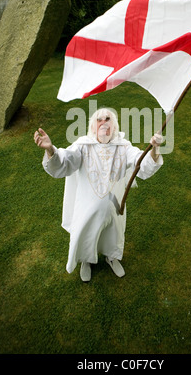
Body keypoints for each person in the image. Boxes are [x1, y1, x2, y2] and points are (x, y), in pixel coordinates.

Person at [34, 107, 163, 282]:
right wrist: (50, 150)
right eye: (99, 120)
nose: (103, 123)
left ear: (114, 126)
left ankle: (111, 257)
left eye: (107, 119)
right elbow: (64, 161)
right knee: (86, 233)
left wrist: (154, 149)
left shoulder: (123, 147)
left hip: (114, 206)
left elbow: (142, 165)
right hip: (86, 207)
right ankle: (86, 260)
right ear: (93, 127)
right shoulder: (82, 145)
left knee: (113, 233)